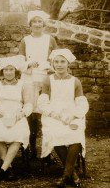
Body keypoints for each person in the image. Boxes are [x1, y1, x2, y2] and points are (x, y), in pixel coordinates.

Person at [37, 49, 89, 187]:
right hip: (53, 114)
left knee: (77, 133)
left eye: (62, 62)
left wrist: (74, 114)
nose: (59, 65)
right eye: (56, 62)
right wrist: (53, 114)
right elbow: (43, 102)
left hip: (71, 113)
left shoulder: (75, 81)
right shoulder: (48, 80)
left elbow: (81, 102)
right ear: (52, 63)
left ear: (68, 64)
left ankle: (66, 175)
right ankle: (72, 174)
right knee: (54, 132)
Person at [0, 55, 33, 183]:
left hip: (17, 115)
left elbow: (28, 104)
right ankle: (9, 169)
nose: (8, 72)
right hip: (1, 115)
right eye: (6, 70)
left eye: (11, 69)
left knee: (18, 135)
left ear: (15, 71)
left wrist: (22, 113)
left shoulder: (23, 85)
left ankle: (2, 170)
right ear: (2, 71)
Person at [19, 10, 58, 158]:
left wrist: (50, 66)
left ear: (44, 24)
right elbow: (20, 61)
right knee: (30, 112)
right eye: (34, 22)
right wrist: (29, 63)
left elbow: (57, 59)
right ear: (30, 25)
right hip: (29, 78)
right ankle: (30, 146)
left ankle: (47, 151)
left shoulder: (50, 39)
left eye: (39, 21)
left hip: (45, 79)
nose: (37, 24)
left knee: (45, 112)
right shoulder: (25, 40)